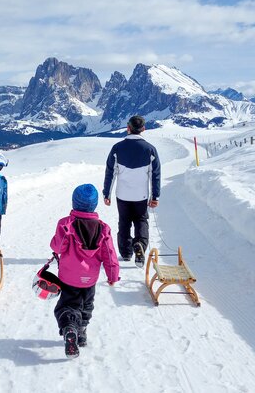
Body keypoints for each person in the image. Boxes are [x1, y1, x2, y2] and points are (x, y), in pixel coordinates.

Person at [50, 184, 120, 358]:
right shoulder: (103, 228)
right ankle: (81, 332)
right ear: (94, 205)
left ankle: (69, 328)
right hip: (90, 279)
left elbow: (56, 247)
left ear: (74, 202)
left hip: (68, 277)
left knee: (67, 305)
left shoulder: (66, 224)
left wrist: (62, 234)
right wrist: (112, 275)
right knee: (87, 305)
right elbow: (110, 254)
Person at [102, 115, 161, 267]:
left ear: (128, 128)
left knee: (124, 222)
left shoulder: (117, 148)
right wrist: (155, 196)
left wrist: (106, 194)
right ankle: (140, 244)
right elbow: (155, 174)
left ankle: (126, 253)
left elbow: (110, 172)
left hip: (122, 195)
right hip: (141, 196)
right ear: (143, 129)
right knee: (141, 220)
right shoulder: (150, 150)